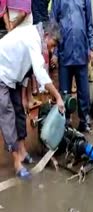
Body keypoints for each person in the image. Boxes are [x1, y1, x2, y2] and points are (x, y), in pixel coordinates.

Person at [0, 21, 65, 178]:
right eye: (53, 44)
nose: (52, 49)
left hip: (13, 76)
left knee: (20, 112)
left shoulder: (35, 38)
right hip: (1, 72)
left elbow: (26, 69)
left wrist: (24, 97)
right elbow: (40, 74)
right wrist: (58, 97)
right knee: (7, 114)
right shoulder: (33, 39)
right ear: (47, 36)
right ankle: (16, 163)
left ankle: (22, 151)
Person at [50, 0, 93, 133]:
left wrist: (92, 48)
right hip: (64, 51)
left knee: (83, 91)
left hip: (81, 50)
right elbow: (53, 23)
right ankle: (66, 122)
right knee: (65, 91)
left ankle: (84, 120)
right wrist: (55, 52)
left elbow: (89, 22)